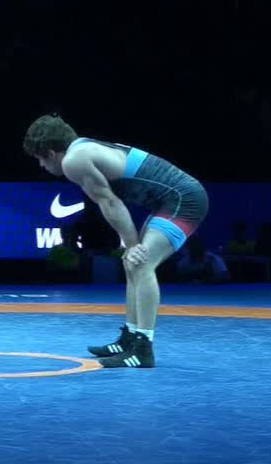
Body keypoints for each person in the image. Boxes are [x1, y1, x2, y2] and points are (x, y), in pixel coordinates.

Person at [23, 114, 208, 368]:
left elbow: (110, 202)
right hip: (172, 199)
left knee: (140, 263)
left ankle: (143, 350)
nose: (42, 166)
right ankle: (130, 338)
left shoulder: (73, 161)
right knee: (132, 263)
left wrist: (132, 246)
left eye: (41, 159)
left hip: (184, 199)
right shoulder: (83, 147)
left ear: (52, 152)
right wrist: (131, 247)